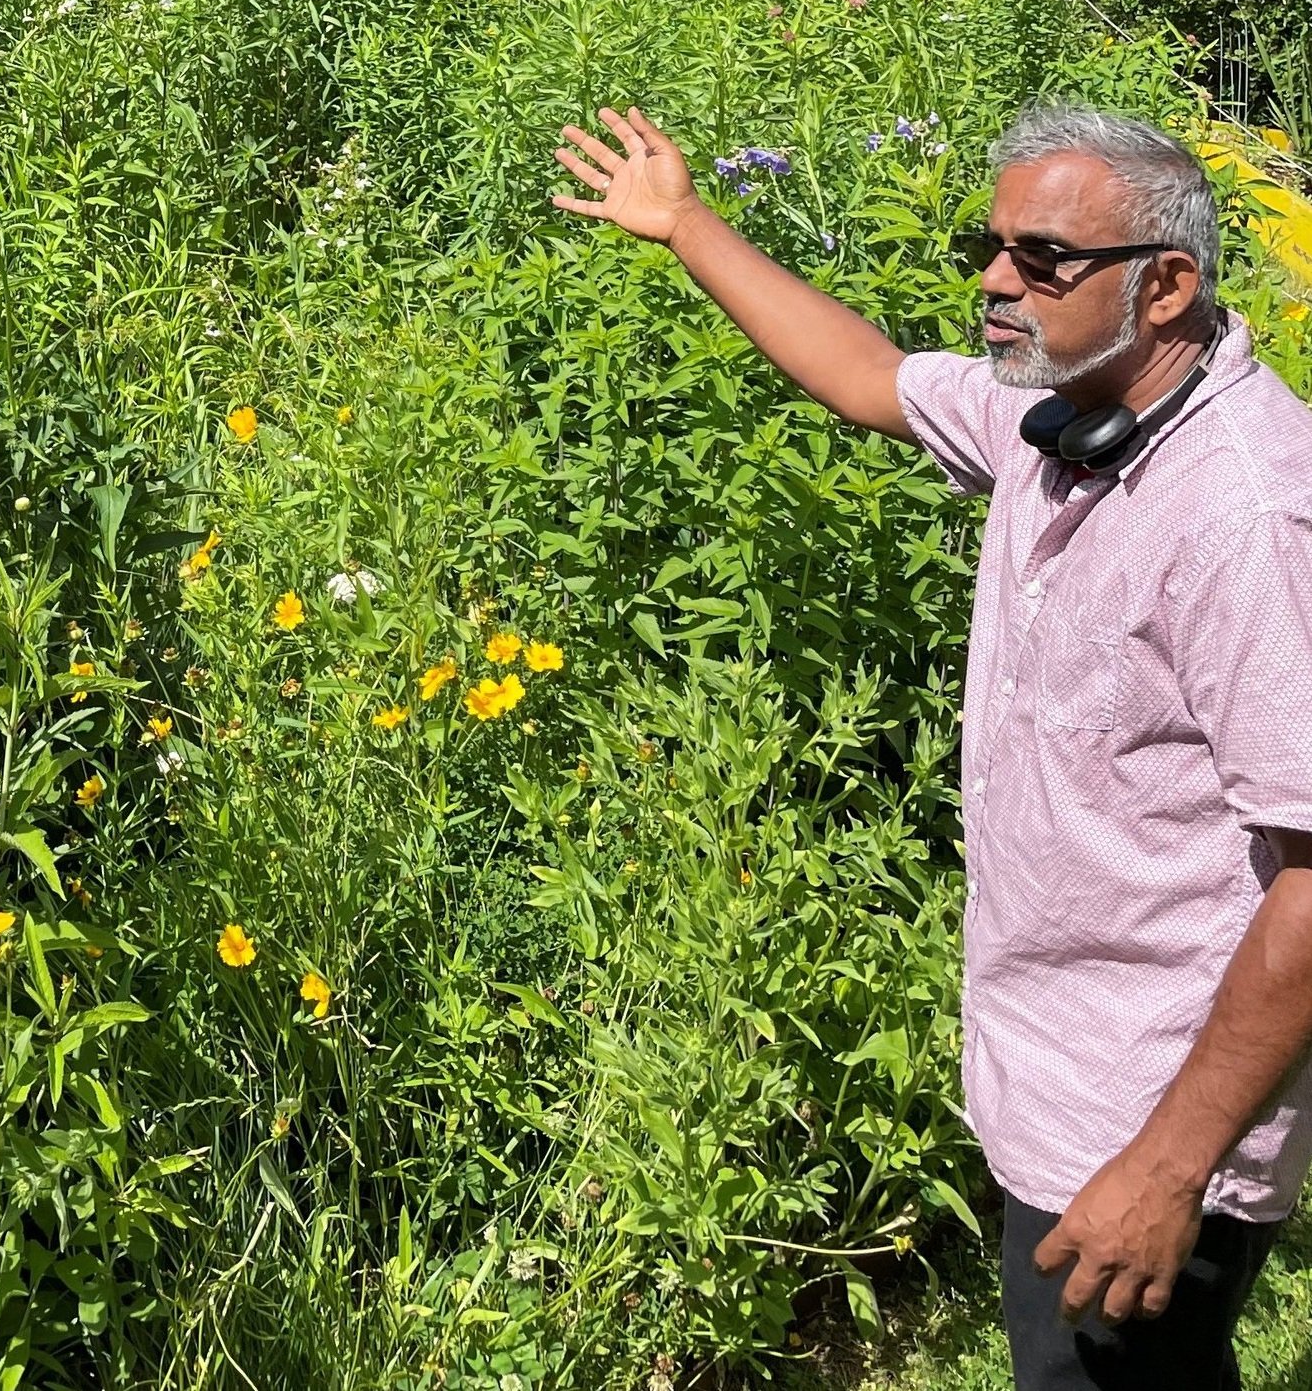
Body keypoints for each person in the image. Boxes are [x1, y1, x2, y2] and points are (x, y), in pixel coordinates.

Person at [550, 97, 1312, 1391]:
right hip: (1058, 1073)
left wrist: (1169, 1167)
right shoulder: (1062, 417)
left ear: (1168, 285)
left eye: (1040, 260)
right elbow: (865, 376)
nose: (992, 282)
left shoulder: (1246, 515)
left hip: (1149, 1107)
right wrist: (684, 224)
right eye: (987, 243)